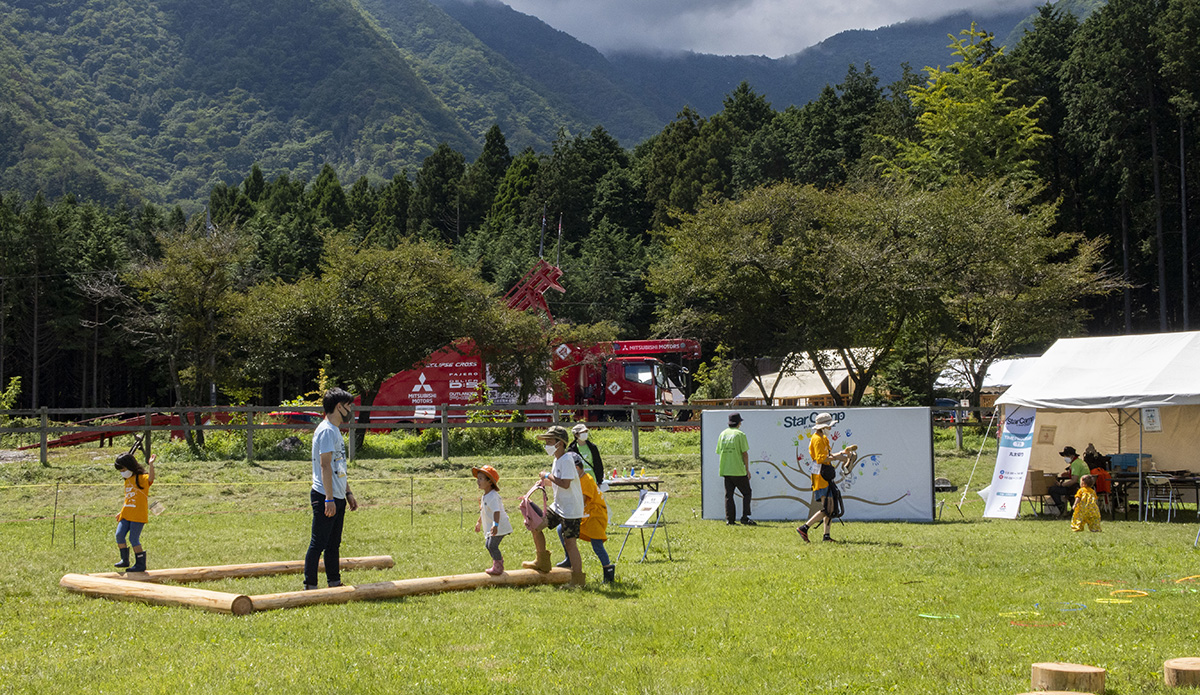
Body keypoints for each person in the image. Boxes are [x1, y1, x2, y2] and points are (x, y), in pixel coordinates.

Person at [304, 388, 359, 590]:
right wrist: (328, 498)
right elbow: (325, 465)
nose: (351, 409)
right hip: (324, 494)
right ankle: (310, 585)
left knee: (333, 544)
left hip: (337, 494)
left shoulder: (334, 430)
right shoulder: (327, 430)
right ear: (339, 407)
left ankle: (334, 583)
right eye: (349, 405)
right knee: (318, 543)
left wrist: (348, 492)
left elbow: (339, 466)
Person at [523, 425, 586, 586]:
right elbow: (559, 482)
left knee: (570, 543)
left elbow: (565, 484)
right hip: (558, 506)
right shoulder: (557, 460)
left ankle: (577, 580)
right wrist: (545, 482)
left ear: (560, 443)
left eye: (549, 441)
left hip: (570, 510)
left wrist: (547, 475)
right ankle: (541, 561)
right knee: (536, 527)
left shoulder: (566, 460)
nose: (547, 445)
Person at [556, 454, 615, 583]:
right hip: (586, 515)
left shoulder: (586, 480)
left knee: (597, 545)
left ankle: (608, 571)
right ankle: (569, 559)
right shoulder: (579, 478)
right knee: (561, 529)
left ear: (577, 468)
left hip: (595, 517)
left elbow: (580, 501)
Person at [797, 412, 850, 543]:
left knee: (831, 506)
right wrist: (839, 457)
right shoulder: (817, 439)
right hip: (821, 476)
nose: (831, 427)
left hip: (825, 474)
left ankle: (826, 536)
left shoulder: (824, 438)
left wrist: (842, 454)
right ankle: (804, 528)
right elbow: (820, 459)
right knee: (828, 508)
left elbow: (829, 455)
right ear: (823, 426)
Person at [114, 449, 156, 572]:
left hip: (138, 515)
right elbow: (128, 498)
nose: (122, 473)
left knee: (133, 539)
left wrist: (151, 465)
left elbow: (151, 478)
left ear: (130, 466)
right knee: (119, 535)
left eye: (123, 470)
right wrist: (121, 512)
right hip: (126, 514)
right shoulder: (127, 481)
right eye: (120, 471)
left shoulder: (142, 478)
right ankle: (124, 560)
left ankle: (140, 564)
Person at [472, 465, 512, 576]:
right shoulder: (485, 495)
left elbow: (496, 512)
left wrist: (495, 525)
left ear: (490, 482)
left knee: (492, 545)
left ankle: (498, 567)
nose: (478, 481)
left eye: (481, 479)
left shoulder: (493, 496)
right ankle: (498, 563)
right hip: (494, 526)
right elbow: (484, 511)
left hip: (500, 525)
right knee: (488, 545)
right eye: (478, 478)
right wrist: (479, 522)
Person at [717, 412, 754, 525]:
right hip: (738, 470)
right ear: (738, 423)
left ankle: (730, 519)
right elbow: (744, 453)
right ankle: (745, 517)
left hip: (726, 469)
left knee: (729, 495)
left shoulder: (722, 434)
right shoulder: (740, 435)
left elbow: (719, 451)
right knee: (747, 493)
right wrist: (747, 469)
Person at [1048, 445, 1089, 516]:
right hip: (1085, 486)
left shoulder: (1075, 464)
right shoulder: (1081, 462)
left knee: (1052, 489)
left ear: (1071, 456)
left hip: (1078, 487)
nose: (1065, 458)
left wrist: (1061, 485)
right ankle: (1070, 509)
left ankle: (1061, 506)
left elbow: (1074, 480)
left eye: (1066, 456)